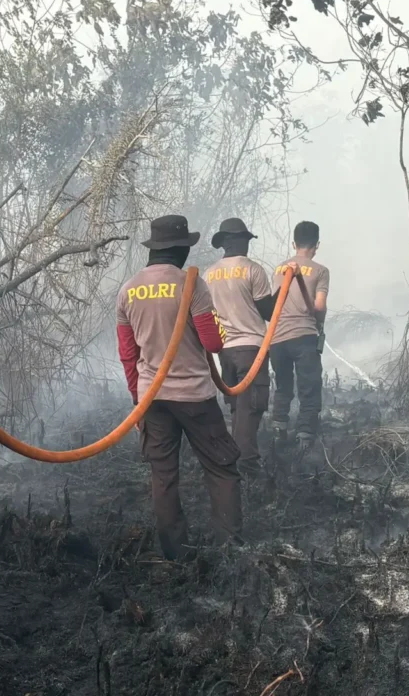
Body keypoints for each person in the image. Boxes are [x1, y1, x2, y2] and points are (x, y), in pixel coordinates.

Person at [116, 215, 242, 560]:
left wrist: (137, 406)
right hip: (195, 398)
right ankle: (229, 549)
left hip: (152, 401)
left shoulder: (128, 290)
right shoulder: (193, 285)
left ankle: (175, 554)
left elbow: (128, 356)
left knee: (164, 475)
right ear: (182, 250)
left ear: (154, 250)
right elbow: (214, 343)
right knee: (221, 467)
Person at [204, 218, 293, 477]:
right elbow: (268, 311)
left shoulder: (209, 274)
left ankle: (235, 458)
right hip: (251, 348)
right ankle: (247, 466)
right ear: (233, 241)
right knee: (250, 408)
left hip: (225, 352)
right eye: (244, 239)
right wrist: (286, 285)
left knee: (236, 407)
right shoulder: (252, 269)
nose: (247, 244)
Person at [269, 221, 330, 446]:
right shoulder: (321, 271)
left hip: (277, 338)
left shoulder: (278, 269)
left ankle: (278, 429)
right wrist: (319, 326)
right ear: (316, 245)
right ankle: (305, 437)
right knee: (309, 387)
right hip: (304, 335)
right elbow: (320, 306)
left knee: (283, 385)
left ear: (294, 243)